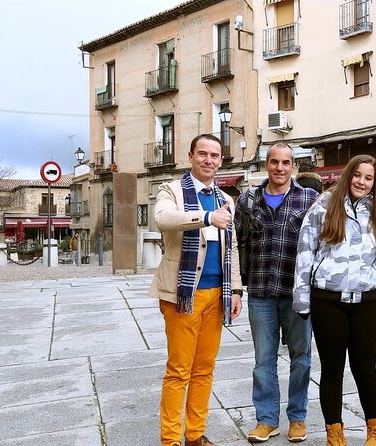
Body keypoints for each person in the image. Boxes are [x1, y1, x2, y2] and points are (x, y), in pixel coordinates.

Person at [149, 134, 243, 446]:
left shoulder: (225, 199)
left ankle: (195, 435)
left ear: (220, 160)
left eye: (214, 155)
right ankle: (171, 440)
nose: (208, 160)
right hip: (182, 294)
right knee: (179, 371)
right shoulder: (172, 190)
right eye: (202, 153)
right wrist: (205, 217)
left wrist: (237, 291)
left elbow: (233, 250)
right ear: (190, 156)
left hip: (218, 294)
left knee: (204, 369)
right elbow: (162, 219)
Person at [293, 155, 376, 446]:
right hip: (328, 299)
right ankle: (334, 432)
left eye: (368, 177)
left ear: (375, 182)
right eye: (357, 175)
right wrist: (302, 300)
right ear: (348, 175)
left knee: (365, 368)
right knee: (332, 369)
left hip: (365, 300)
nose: (362, 182)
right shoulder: (324, 205)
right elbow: (305, 251)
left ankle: (375, 429)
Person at [234, 142, 318, 443]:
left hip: (297, 294)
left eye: (286, 162)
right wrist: (236, 287)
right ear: (265, 164)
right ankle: (267, 419)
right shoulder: (248, 200)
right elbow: (238, 243)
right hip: (260, 292)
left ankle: (297, 417)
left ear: (293, 166)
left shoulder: (309, 198)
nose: (280, 168)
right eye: (274, 162)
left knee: (302, 358)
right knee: (263, 360)